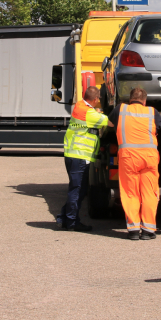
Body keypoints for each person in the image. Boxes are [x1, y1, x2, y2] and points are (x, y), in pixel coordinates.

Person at [107, 87, 161, 240]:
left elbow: (110, 124)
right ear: (144, 101)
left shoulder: (121, 109)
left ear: (130, 99)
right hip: (149, 157)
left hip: (129, 157)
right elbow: (158, 128)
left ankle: (133, 230)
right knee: (149, 193)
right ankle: (148, 230)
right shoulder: (152, 112)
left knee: (130, 193)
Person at [57, 86, 109, 232]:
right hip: (79, 156)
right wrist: (101, 114)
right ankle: (72, 223)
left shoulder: (79, 106)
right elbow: (109, 122)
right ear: (95, 99)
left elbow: (90, 116)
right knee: (77, 190)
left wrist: (96, 112)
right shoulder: (89, 113)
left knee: (76, 189)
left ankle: (64, 218)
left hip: (72, 155)